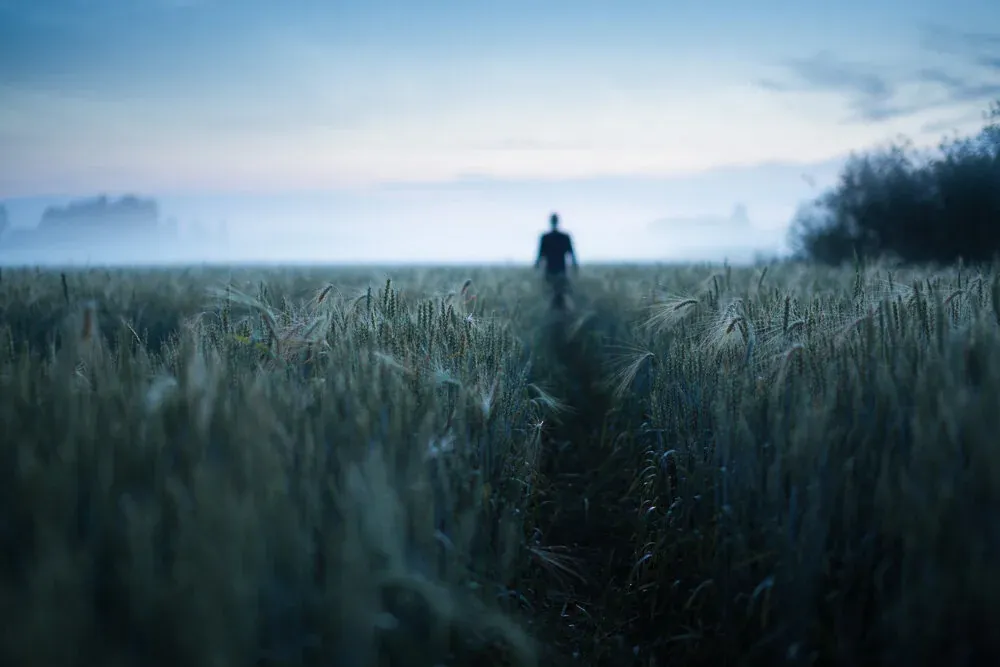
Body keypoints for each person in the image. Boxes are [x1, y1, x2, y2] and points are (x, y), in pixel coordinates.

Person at [535, 213, 577, 308]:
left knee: (554, 293)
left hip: (553, 270)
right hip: (558, 269)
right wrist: (575, 266)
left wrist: (537, 266)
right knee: (558, 292)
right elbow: (571, 254)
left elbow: (540, 255)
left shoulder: (546, 237)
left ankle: (556, 310)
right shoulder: (563, 237)